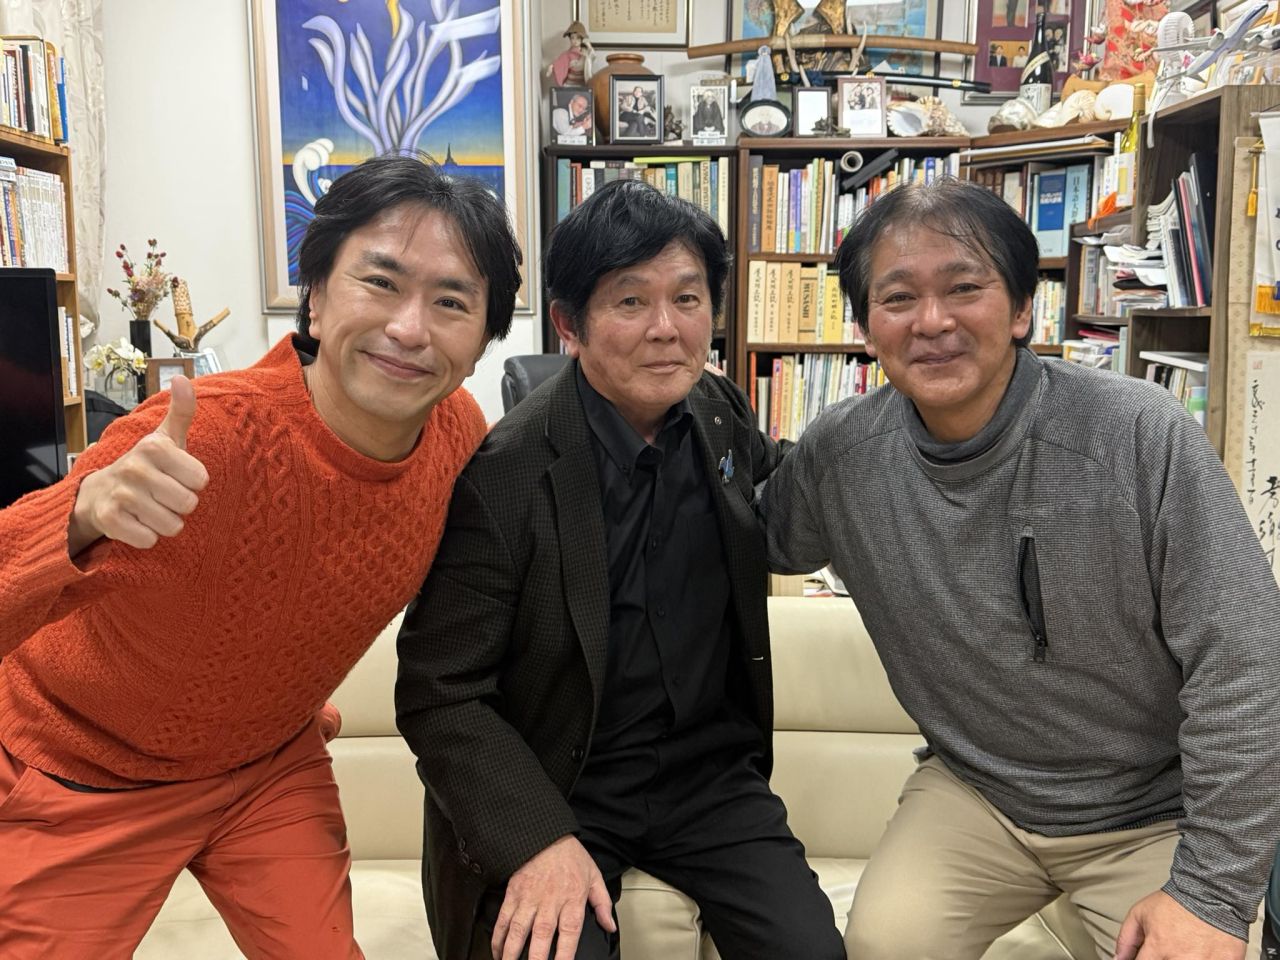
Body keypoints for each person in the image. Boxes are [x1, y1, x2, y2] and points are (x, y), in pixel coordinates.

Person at [0, 153, 522, 959]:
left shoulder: (458, 435)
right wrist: (79, 514)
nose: (410, 329)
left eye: (451, 302)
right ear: (316, 296)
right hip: (88, 768)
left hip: (264, 765)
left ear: (484, 338)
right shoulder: (203, 437)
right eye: (380, 282)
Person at [763, 177, 1280, 960]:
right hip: (978, 796)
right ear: (866, 328)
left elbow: (1246, 664)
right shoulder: (842, 456)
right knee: (882, 943)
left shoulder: (1137, 434)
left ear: (1021, 309)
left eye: (964, 288)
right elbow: (745, 538)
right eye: (898, 298)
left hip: (1153, 811)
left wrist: (1210, 892)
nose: (932, 321)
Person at [396, 179, 844, 960]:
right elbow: (441, 693)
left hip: (709, 780)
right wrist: (537, 838)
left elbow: (784, 494)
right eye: (630, 301)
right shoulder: (504, 474)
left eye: (688, 298)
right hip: (562, 783)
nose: (666, 329)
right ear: (569, 325)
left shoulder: (718, 413)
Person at [547, 20, 593, 87]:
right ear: (570, 39)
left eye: (578, 38)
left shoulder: (585, 53)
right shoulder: (567, 54)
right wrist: (552, 67)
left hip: (582, 84)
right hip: (570, 84)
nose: (575, 41)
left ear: (581, 39)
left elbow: (592, 57)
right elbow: (560, 63)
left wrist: (590, 48)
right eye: (572, 38)